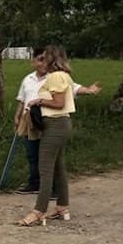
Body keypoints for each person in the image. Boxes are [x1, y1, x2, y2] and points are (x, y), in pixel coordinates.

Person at [18, 46, 100, 226]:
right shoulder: (65, 76)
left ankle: (39, 211)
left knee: (45, 169)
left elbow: (58, 102)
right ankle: (62, 206)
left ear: (51, 59)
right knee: (58, 167)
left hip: (55, 124)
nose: (42, 61)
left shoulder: (55, 76)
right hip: (60, 124)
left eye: (45, 57)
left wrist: (38, 101)